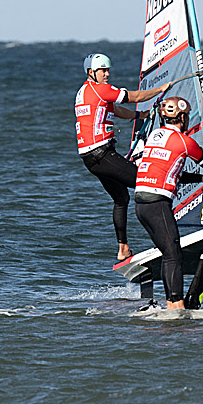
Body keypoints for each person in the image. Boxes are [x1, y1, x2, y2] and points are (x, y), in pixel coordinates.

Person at [134, 96, 203, 309]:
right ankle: (175, 305)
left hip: (141, 203)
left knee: (168, 253)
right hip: (157, 203)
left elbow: (171, 170)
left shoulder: (155, 136)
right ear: (182, 118)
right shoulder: (183, 141)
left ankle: (171, 302)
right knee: (173, 255)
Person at [75, 53, 170, 262]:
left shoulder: (85, 91)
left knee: (121, 199)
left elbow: (116, 109)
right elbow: (134, 97)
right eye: (103, 71)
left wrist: (139, 116)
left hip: (90, 158)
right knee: (147, 183)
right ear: (91, 72)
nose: (107, 74)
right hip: (101, 154)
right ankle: (165, 239)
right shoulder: (100, 89)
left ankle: (123, 248)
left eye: (108, 70)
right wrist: (160, 90)